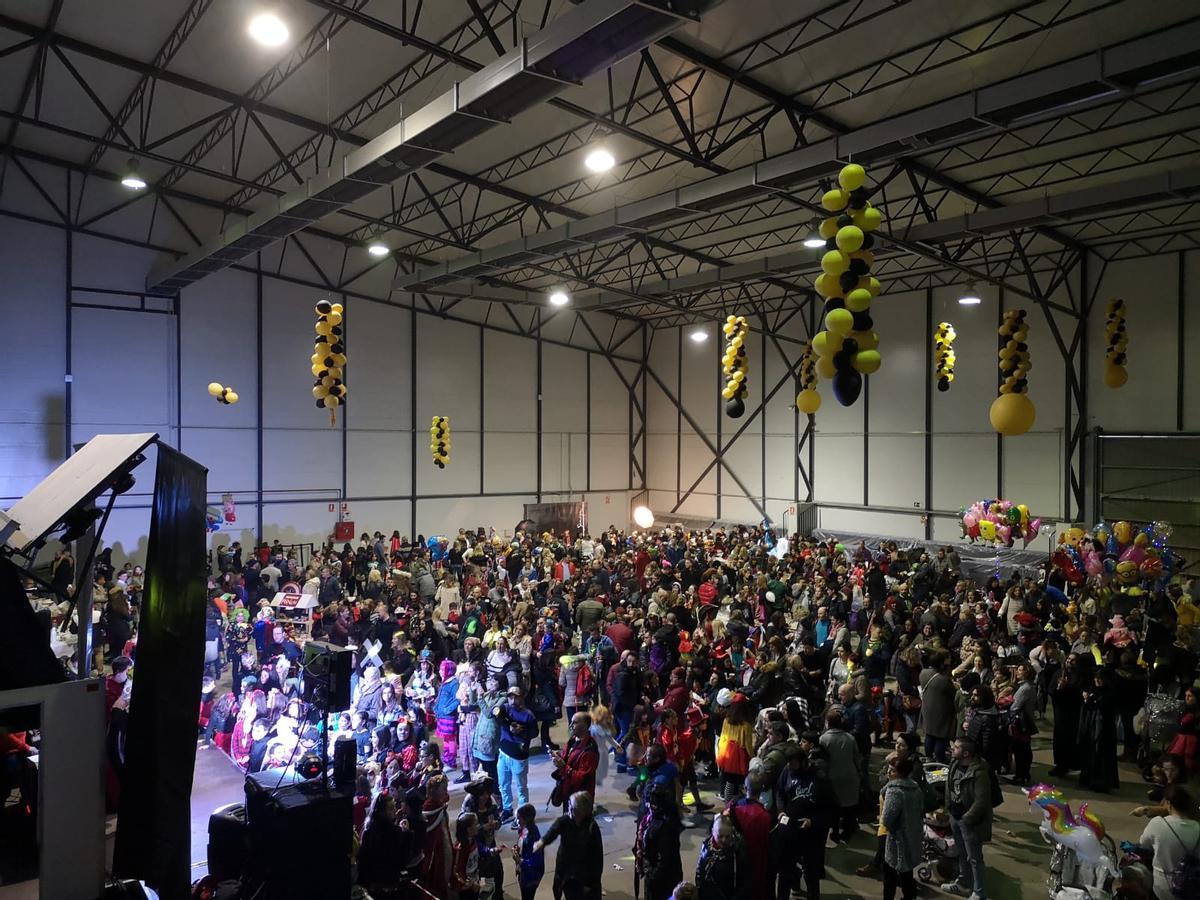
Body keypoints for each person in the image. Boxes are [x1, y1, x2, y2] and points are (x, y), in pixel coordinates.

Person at [775, 744, 833, 900]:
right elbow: (780, 792)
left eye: (792, 762)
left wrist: (813, 821)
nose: (789, 766)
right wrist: (781, 810)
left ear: (802, 761)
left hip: (811, 835)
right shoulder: (787, 771)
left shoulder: (819, 777)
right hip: (789, 830)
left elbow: (830, 809)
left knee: (811, 874)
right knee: (785, 871)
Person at [943, 738, 991, 900]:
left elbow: (982, 801)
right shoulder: (954, 764)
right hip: (955, 817)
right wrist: (949, 809)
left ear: (966, 753)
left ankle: (979, 892)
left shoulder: (979, 773)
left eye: (955, 747)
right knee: (962, 853)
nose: (952, 749)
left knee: (974, 857)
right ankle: (963, 883)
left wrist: (967, 818)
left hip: (969, 822)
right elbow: (949, 788)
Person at [535, 790, 604, 900]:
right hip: (565, 872)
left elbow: (597, 860)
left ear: (581, 811)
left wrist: (590, 884)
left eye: (572, 807)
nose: (568, 808)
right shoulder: (565, 820)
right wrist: (542, 842)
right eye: (569, 804)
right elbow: (553, 830)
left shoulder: (592, 829)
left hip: (583, 877)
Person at [1137, 784, 1200, 900]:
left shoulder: (1158, 823)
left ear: (1169, 804)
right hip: (1191, 887)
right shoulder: (1197, 828)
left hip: (1162, 887)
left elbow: (1143, 844)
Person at [881, 756, 924, 900]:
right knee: (907, 873)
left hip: (897, 838)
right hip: (913, 835)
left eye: (892, 770)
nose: (889, 772)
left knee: (890, 875)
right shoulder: (915, 787)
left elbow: (887, 819)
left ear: (900, 773)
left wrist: (884, 822)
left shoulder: (894, 791)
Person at [357, 792, 413, 899]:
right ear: (382, 812)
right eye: (391, 808)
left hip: (371, 888)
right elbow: (402, 861)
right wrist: (407, 834)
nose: (395, 810)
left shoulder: (368, 829)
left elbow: (362, 861)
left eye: (395, 806)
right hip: (389, 887)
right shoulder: (394, 832)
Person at [637, 781, 685, 900]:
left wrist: (652, 877)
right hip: (654, 873)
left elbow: (665, 858)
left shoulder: (666, 825)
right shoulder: (652, 817)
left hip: (663, 879)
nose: (647, 806)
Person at [819, 707, 861, 843]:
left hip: (832, 777)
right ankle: (848, 832)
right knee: (849, 807)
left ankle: (835, 833)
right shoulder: (850, 738)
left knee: (834, 808)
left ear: (827, 723)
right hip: (850, 776)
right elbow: (856, 758)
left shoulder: (823, 739)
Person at [496, 686, 536, 824]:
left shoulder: (528, 715)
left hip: (518, 755)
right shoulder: (505, 709)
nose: (512, 700)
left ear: (521, 697)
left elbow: (534, 733)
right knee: (503, 784)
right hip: (504, 752)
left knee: (521, 786)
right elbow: (495, 715)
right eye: (510, 697)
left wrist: (522, 731)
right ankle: (507, 810)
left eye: (516, 697)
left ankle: (522, 814)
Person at [1077, 667, 1120, 793]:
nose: (1097, 680)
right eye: (1096, 678)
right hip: (1092, 725)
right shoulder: (1094, 689)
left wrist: (1091, 700)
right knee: (1090, 752)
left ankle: (1100, 782)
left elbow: (1105, 706)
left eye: (1100, 678)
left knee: (1101, 754)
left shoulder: (1110, 692)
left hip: (1103, 727)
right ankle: (1088, 778)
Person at [694, 811, 747, 900]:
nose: (724, 840)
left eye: (727, 836)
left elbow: (744, 880)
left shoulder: (738, 850)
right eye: (720, 836)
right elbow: (700, 873)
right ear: (713, 833)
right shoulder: (706, 847)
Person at [554, 712, 599, 810]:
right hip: (568, 793)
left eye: (575, 723)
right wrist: (559, 756)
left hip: (580, 800)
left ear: (586, 725)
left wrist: (563, 767)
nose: (571, 725)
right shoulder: (573, 740)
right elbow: (568, 757)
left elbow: (582, 779)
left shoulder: (590, 750)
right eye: (571, 722)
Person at [920, 652, 956, 762]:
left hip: (927, 710)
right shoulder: (944, 680)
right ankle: (940, 763)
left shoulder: (923, 673)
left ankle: (929, 758)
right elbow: (953, 693)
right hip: (941, 713)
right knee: (940, 738)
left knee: (929, 736)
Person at [512, 802, 545, 900]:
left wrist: (519, 861)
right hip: (524, 873)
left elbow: (535, 862)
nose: (517, 821)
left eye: (519, 818)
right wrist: (517, 848)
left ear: (526, 819)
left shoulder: (533, 837)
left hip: (531, 877)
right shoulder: (525, 829)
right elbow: (522, 844)